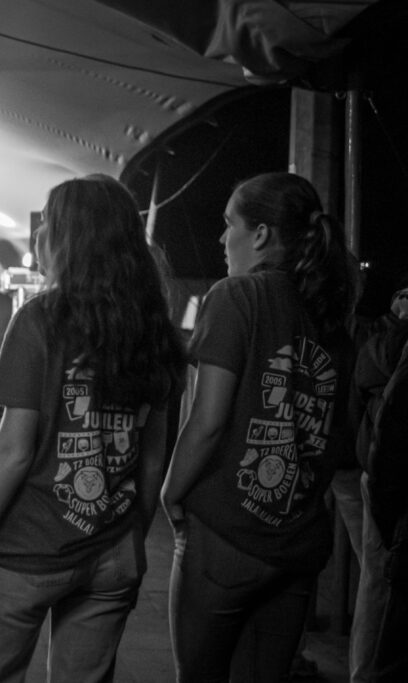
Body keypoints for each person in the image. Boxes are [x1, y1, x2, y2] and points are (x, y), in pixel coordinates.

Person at [0, 174, 186, 681]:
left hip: (27, 550)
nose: (38, 235)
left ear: (69, 238)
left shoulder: (39, 319)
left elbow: (13, 451)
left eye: (48, 224)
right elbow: (152, 457)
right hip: (112, 550)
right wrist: (132, 538)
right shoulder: (154, 329)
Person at [161, 172, 355, 682]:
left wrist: (170, 492)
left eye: (230, 224)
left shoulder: (235, 296)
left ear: (262, 234)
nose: (222, 239)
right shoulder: (331, 315)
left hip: (227, 533)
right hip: (298, 541)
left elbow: (207, 421)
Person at [355, 275, 408, 681]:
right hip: (383, 479)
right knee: (376, 584)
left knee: (376, 584)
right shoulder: (388, 336)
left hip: (384, 479)